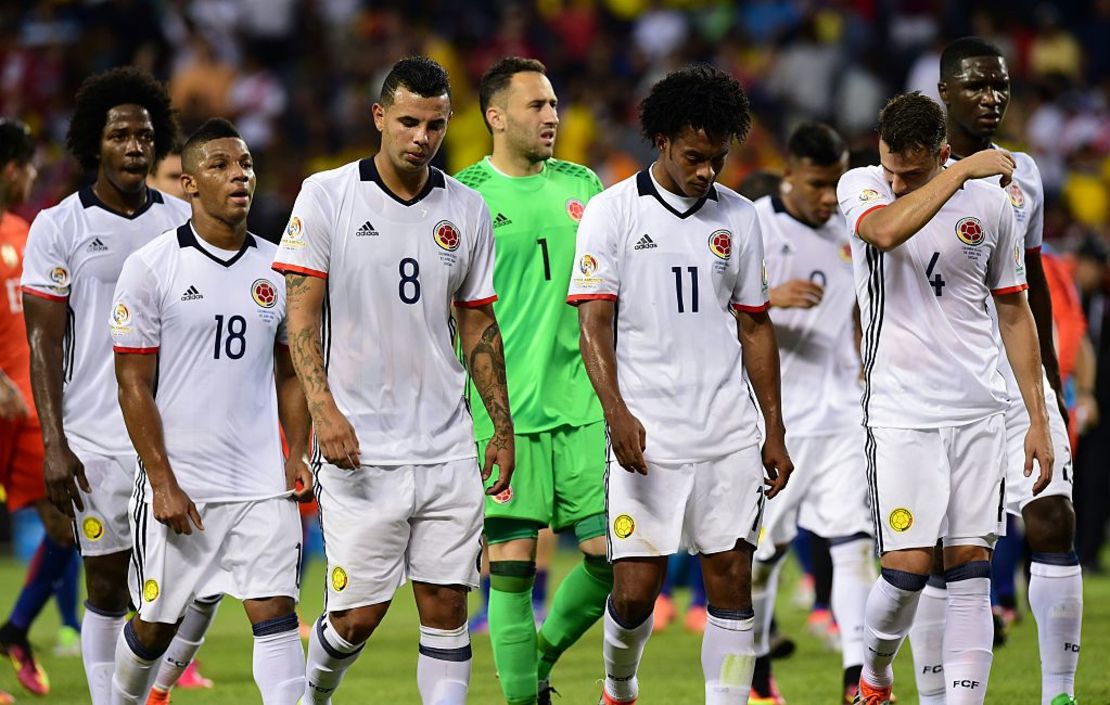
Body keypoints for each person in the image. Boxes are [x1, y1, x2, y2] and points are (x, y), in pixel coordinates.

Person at [273, 56, 515, 705]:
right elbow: (299, 315)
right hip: (360, 444)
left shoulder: (466, 208)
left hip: (444, 442)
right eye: (408, 121)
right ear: (379, 117)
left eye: (435, 125)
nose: (421, 137)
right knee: (358, 617)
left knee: (447, 604)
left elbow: (479, 324)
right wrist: (323, 411)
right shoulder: (327, 195)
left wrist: (501, 424)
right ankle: (311, 693)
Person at [569, 64, 793, 705]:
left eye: (718, 159)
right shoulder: (612, 212)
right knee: (636, 592)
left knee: (730, 580)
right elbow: (594, 322)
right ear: (662, 139)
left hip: (727, 429)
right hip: (648, 431)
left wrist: (773, 428)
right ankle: (619, 685)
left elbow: (755, 327)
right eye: (696, 157)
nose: (707, 172)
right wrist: (615, 411)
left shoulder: (740, 217)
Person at [838, 92, 1053, 705]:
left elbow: (1016, 312)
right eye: (892, 167)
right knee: (905, 570)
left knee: (969, 571)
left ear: (939, 150)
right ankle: (875, 677)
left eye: (913, 170)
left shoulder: (991, 206)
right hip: (902, 412)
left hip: (980, 412)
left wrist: (1035, 420)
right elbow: (882, 231)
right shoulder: (864, 186)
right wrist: (957, 172)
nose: (898, 180)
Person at [19, 67, 215, 705]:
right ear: (92, 144)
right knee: (107, 588)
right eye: (120, 135)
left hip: (175, 436)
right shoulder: (59, 225)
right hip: (95, 435)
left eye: (145, 135)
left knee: (189, 587)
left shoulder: (185, 221)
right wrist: (54, 442)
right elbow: (43, 343)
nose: (135, 146)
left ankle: (143, 693)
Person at [108, 117, 310, 705]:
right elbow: (132, 385)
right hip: (183, 486)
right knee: (153, 629)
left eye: (245, 164)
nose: (239, 175)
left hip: (259, 484)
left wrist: (295, 451)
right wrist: (162, 481)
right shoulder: (151, 268)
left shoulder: (278, 267)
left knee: (276, 614)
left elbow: (290, 371)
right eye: (220, 166)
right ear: (189, 185)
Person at [904, 37, 1081, 705]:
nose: (992, 97)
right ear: (944, 94)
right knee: (950, 552)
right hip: (942, 384)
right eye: (977, 85)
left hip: (1015, 379)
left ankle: (1058, 692)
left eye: (1001, 85)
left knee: (1053, 516)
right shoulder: (910, 170)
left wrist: (1050, 394)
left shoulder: (1025, 172)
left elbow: (1032, 284)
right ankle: (937, 693)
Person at [455, 56, 611, 705]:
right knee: (512, 572)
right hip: (503, 414)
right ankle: (524, 698)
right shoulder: (465, 197)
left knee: (615, 561)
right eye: (536, 106)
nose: (552, 116)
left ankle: (538, 657)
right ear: (496, 116)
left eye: (554, 105)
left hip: (584, 405)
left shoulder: (584, 186)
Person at [749, 121, 875, 705]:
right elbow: (704, 310)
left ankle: (856, 680)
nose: (830, 197)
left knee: (853, 547)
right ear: (791, 172)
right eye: (820, 185)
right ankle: (756, 677)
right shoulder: (754, 225)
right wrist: (767, 297)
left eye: (836, 184)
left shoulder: (850, 232)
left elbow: (855, 312)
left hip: (842, 415)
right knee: (761, 557)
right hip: (775, 421)